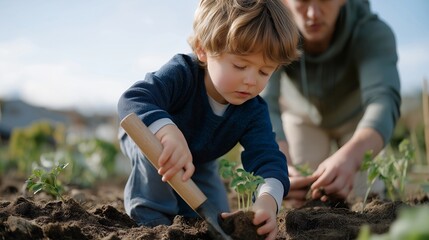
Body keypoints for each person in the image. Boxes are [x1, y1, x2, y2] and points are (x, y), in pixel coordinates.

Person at [117, 0, 300, 238]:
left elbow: (268, 159)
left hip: (199, 159)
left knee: (215, 214)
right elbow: (133, 99)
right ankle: (152, 220)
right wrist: (167, 131)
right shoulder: (183, 74)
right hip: (151, 136)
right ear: (203, 50)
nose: (251, 80)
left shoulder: (253, 111)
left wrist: (268, 199)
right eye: (240, 65)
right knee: (159, 151)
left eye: (264, 71)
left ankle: (180, 210)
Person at [261, 0, 401, 208]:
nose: (313, 13)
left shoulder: (370, 31)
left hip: (358, 120)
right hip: (302, 118)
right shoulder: (272, 30)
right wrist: (280, 162)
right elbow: (265, 102)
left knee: (368, 196)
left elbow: (383, 100)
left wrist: (353, 157)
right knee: (297, 194)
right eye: (302, 1)